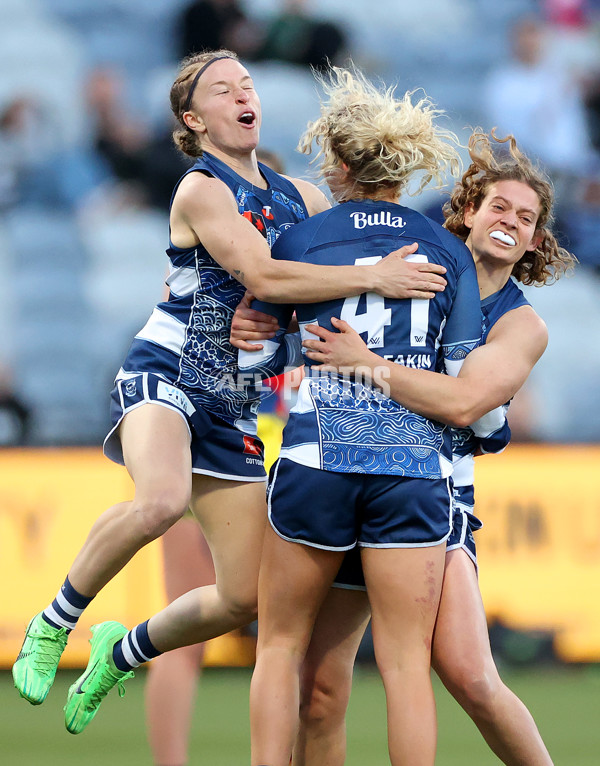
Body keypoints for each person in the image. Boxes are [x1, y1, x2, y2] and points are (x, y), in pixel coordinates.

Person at [11, 50, 448, 734]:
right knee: (159, 500)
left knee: (244, 598)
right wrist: (373, 277)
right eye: (224, 88)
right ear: (195, 119)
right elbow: (270, 278)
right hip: (168, 369)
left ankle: (121, 652)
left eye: (248, 83)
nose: (244, 93)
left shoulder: (302, 198)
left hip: (234, 399)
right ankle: (54, 621)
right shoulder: (202, 189)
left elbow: (314, 285)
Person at [233, 129, 575, 766]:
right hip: (362, 474)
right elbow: (296, 328)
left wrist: (366, 364)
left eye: (526, 219)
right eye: (500, 206)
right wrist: (261, 324)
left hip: (437, 497)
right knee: (322, 688)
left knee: (468, 675)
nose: (511, 222)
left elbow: (464, 403)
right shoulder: (408, 259)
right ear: (467, 211)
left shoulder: (521, 323)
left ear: (534, 241)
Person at [236, 64, 482, 766]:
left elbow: (260, 352)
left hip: (318, 459)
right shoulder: (445, 250)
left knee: (281, 648)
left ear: (338, 164)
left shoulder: (305, 242)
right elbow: (462, 375)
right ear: (402, 169)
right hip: (410, 468)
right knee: (405, 666)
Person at [144, 145, 290, 766]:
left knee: (274, 636)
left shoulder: (289, 300)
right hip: (229, 457)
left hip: (261, 467)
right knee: (254, 638)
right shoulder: (220, 298)